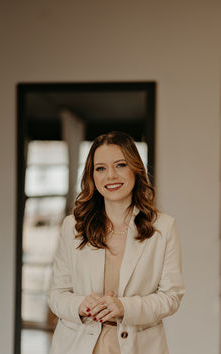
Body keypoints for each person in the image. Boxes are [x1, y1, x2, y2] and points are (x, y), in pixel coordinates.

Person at [48, 131, 185, 354]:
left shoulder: (163, 227)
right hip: (76, 346)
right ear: (92, 176)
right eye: (100, 168)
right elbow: (57, 294)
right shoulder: (72, 226)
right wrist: (80, 304)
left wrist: (124, 307)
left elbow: (171, 297)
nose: (110, 175)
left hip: (139, 347)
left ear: (135, 168)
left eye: (120, 165)